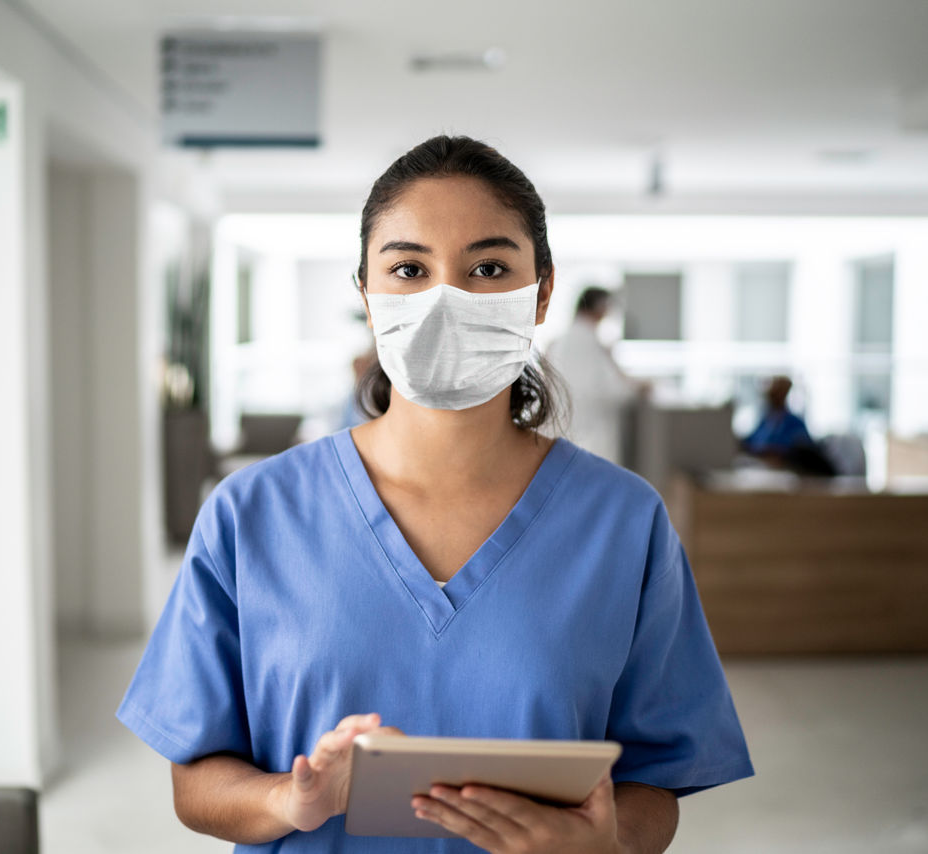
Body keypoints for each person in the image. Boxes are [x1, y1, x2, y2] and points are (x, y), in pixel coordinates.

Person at [117, 135, 753, 853]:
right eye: (409, 269)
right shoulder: (252, 514)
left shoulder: (623, 523)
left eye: (487, 268)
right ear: (366, 295)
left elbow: (654, 783)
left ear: (540, 292)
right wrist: (290, 799)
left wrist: (605, 846)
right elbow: (195, 782)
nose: (445, 299)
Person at [545, 287, 647, 466]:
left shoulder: (558, 343)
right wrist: (638, 387)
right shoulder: (593, 345)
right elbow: (615, 392)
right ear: (600, 307)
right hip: (593, 442)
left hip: (560, 441)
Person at [741, 375, 835, 476]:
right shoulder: (765, 421)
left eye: (778, 392)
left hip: (787, 474)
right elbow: (749, 443)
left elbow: (803, 452)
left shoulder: (795, 423)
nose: (773, 396)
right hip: (761, 470)